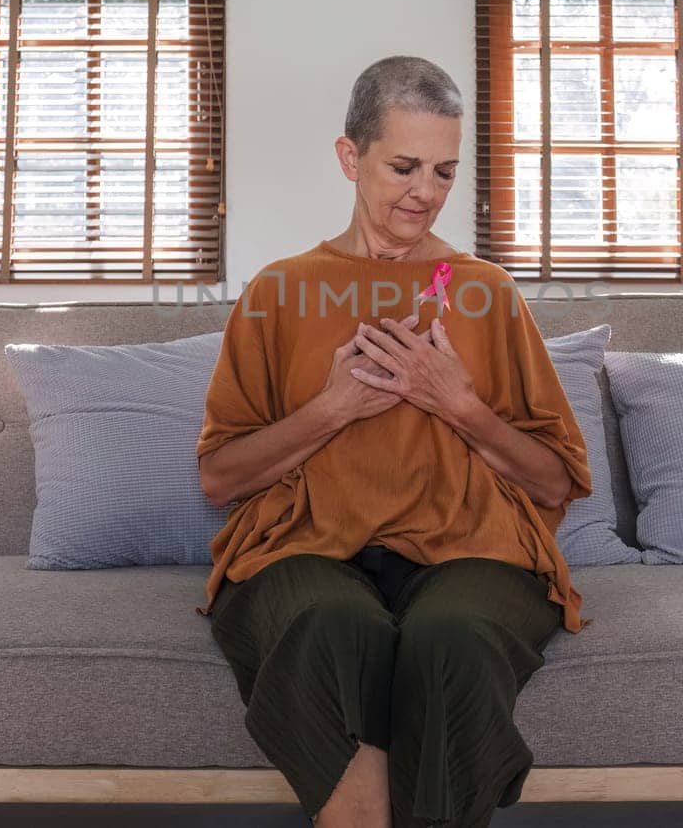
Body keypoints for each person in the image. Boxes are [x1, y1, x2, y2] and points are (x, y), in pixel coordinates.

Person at [194, 55, 592, 828]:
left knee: (451, 640)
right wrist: (334, 407)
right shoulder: (278, 291)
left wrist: (459, 404)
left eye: (444, 171)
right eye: (404, 165)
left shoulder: (486, 291)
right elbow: (219, 478)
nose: (425, 192)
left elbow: (555, 483)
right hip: (304, 551)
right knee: (334, 626)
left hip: (473, 552)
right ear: (351, 157)